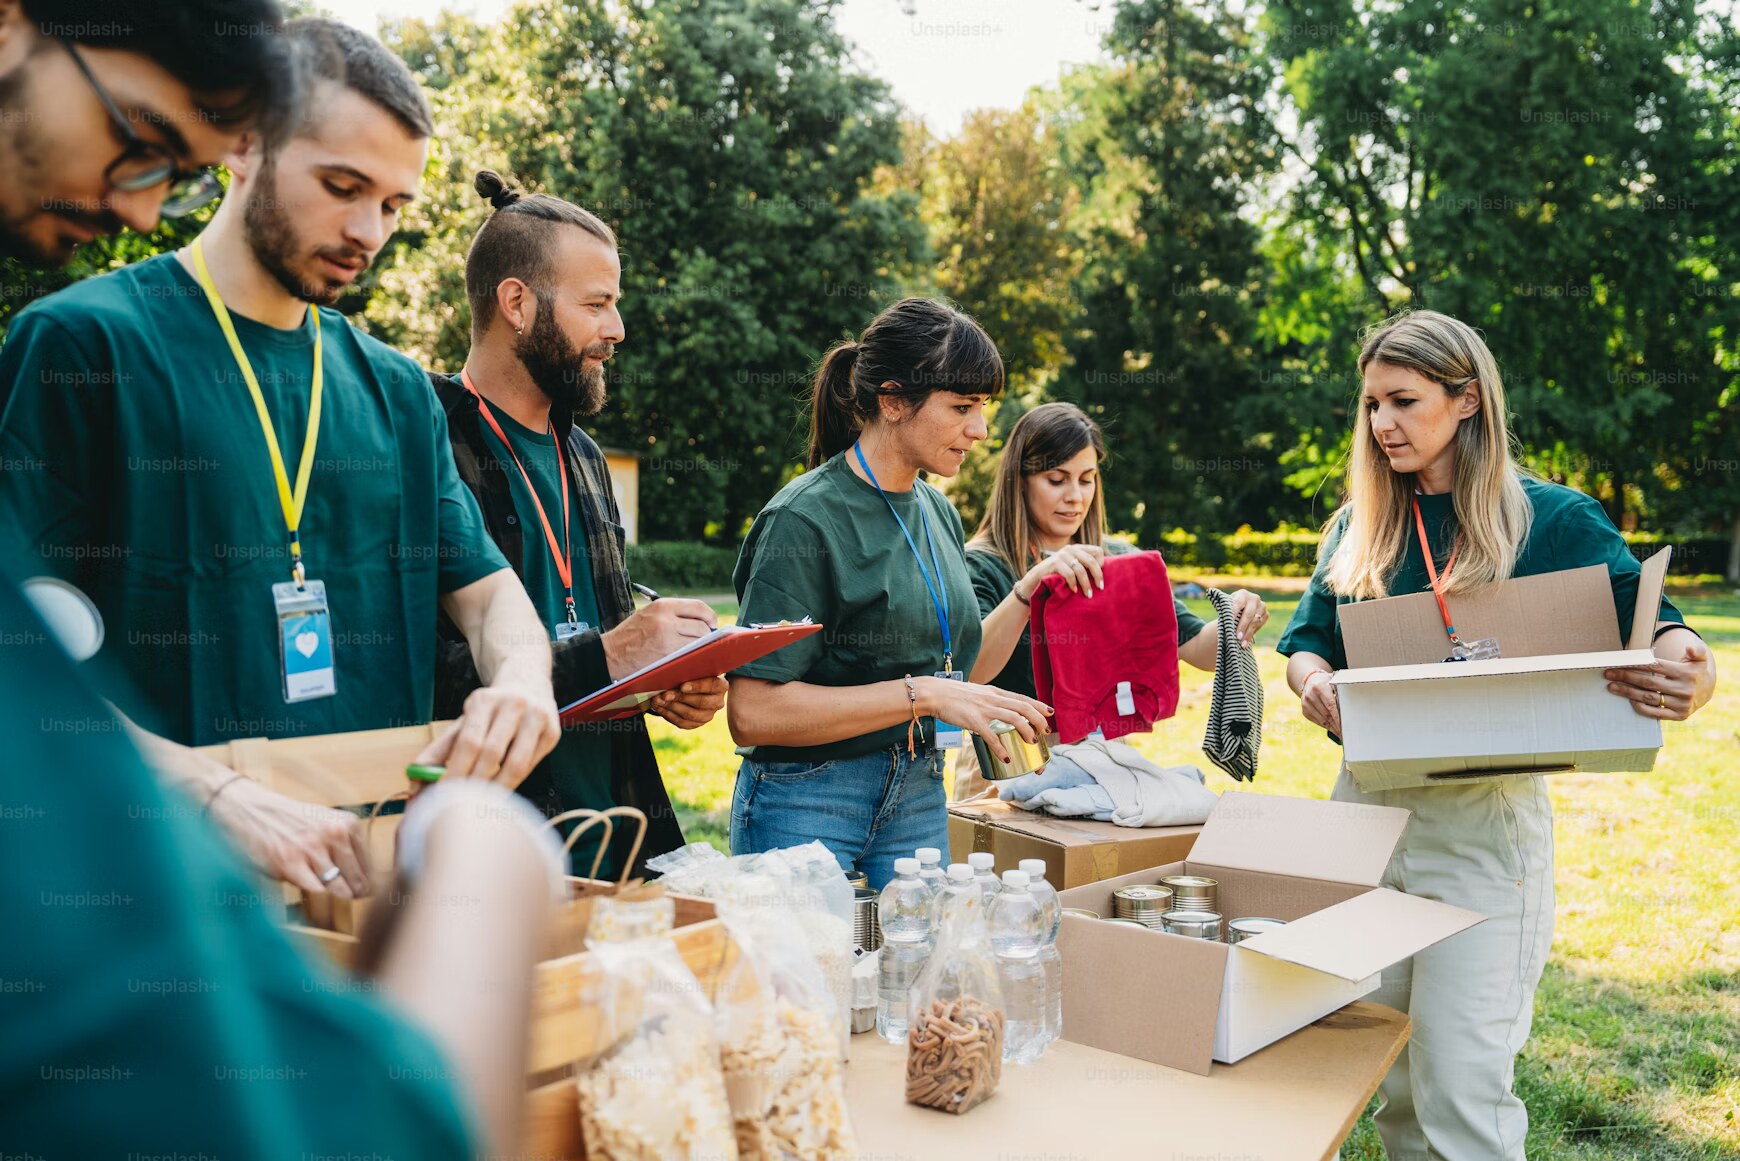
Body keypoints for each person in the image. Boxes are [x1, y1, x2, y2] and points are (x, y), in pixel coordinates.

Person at [0, 6, 556, 1157]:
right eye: (342, 184)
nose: (371, 231)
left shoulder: (397, 391)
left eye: (396, 205)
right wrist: (204, 791)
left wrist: (524, 676)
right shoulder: (83, 345)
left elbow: (488, 591)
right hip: (164, 936)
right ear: (243, 145)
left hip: (370, 900)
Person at [1276, 310, 1718, 1160]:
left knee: (1460, 1087)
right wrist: (1314, 681)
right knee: (1392, 1077)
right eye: (1370, 405)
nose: (1381, 425)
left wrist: (1690, 666)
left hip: (1482, 825)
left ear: (1468, 399)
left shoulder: (1551, 519)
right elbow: (1306, 641)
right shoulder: (1359, 525)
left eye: (1403, 401)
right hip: (1363, 814)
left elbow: (1659, 622)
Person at [430, 170, 728, 876]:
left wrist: (661, 681)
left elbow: (598, 636)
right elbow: (421, 678)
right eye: (597, 304)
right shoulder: (423, 441)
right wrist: (611, 656)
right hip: (495, 858)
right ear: (517, 304)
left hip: (623, 841)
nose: (617, 330)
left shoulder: (586, 458)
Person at [726, 297, 1052, 888]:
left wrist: (1026, 593)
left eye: (981, 409)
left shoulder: (937, 510)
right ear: (894, 401)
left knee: (915, 976)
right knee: (811, 981)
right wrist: (919, 695)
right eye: (961, 408)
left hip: (919, 791)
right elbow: (753, 713)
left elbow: (961, 669)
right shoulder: (803, 520)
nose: (979, 430)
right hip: (809, 798)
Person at [958, 401, 1270, 799]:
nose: (1075, 496)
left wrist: (1235, 618)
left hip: (1100, 763)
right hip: (1005, 763)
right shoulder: (981, 564)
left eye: (1086, 480)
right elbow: (972, 670)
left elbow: (1197, 649)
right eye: (1057, 479)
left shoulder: (1116, 560)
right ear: (1018, 480)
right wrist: (1030, 586)